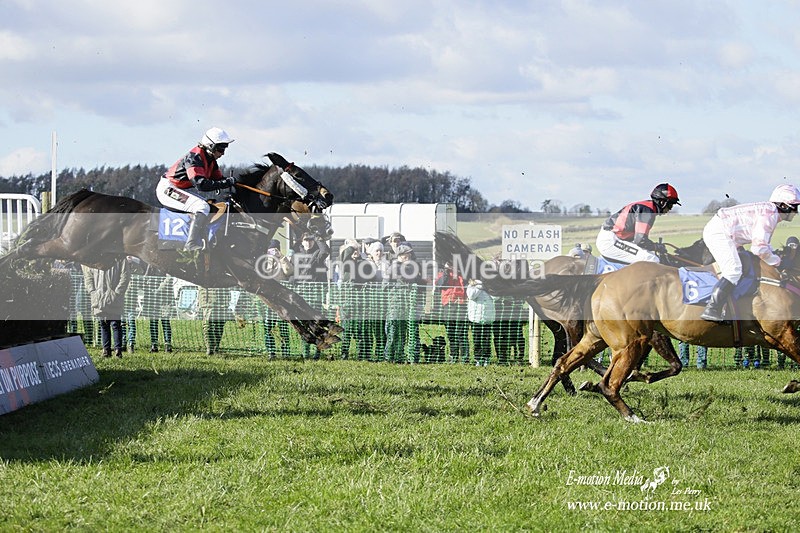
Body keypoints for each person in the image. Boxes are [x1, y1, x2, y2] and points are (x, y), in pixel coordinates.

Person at [700, 183, 800, 322]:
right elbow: (758, 248)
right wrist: (779, 262)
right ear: (783, 206)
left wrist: (775, 258)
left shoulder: (770, 212)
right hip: (720, 232)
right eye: (794, 207)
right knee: (733, 270)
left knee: (743, 265)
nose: (796, 212)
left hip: (726, 232)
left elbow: (764, 244)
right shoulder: (769, 215)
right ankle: (712, 309)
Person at [156, 127, 236, 251]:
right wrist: (224, 183)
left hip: (177, 188)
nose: (223, 153)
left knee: (209, 206)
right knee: (202, 207)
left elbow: (219, 179)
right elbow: (201, 184)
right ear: (211, 146)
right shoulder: (195, 157)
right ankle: (191, 244)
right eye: (220, 149)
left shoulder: (211, 160)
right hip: (167, 189)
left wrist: (233, 183)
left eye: (224, 149)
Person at [596, 183, 680, 264]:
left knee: (651, 255)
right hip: (610, 241)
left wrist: (654, 247)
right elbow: (640, 241)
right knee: (652, 259)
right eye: (670, 205)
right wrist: (656, 247)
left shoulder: (647, 207)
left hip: (615, 238)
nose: (670, 209)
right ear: (662, 202)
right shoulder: (647, 211)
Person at [82, 258, 131, 358]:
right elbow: (88, 276)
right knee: (103, 324)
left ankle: (118, 350)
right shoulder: (95, 257)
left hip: (114, 298)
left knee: (115, 324)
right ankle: (106, 350)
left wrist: (116, 293)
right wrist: (92, 292)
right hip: (99, 297)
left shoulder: (120, 258)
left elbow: (125, 277)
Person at [383, 242, 424, 363]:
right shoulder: (393, 267)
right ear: (399, 255)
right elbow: (385, 286)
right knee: (392, 331)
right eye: (405, 255)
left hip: (409, 304)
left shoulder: (413, 267)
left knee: (404, 332)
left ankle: (400, 356)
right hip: (395, 304)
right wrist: (396, 290)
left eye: (409, 255)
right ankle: (389, 356)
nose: (408, 257)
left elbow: (418, 283)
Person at [262, 239, 292, 358]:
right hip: (268, 297)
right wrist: (269, 259)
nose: (273, 252)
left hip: (281, 297)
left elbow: (289, 272)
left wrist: (282, 258)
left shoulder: (283, 259)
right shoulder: (263, 260)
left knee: (283, 326)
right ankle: (271, 351)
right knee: (268, 326)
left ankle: (285, 352)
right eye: (271, 249)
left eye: (276, 249)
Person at [435, 261, 469, 364]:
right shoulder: (443, 273)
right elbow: (440, 284)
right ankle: (453, 355)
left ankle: (465, 357)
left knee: (462, 332)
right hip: (448, 304)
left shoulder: (464, 273)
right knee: (451, 332)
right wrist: (446, 270)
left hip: (461, 304)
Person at [466, 279, 496, 366]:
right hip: (476, 317)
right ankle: (478, 358)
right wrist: (480, 287)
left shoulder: (491, 284)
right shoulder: (472, 285)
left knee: (486, 339)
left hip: (488, 317)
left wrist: (488, 288)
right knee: (477, 339)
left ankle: (487, 358)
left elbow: (496, 297)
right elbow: (471, 296)